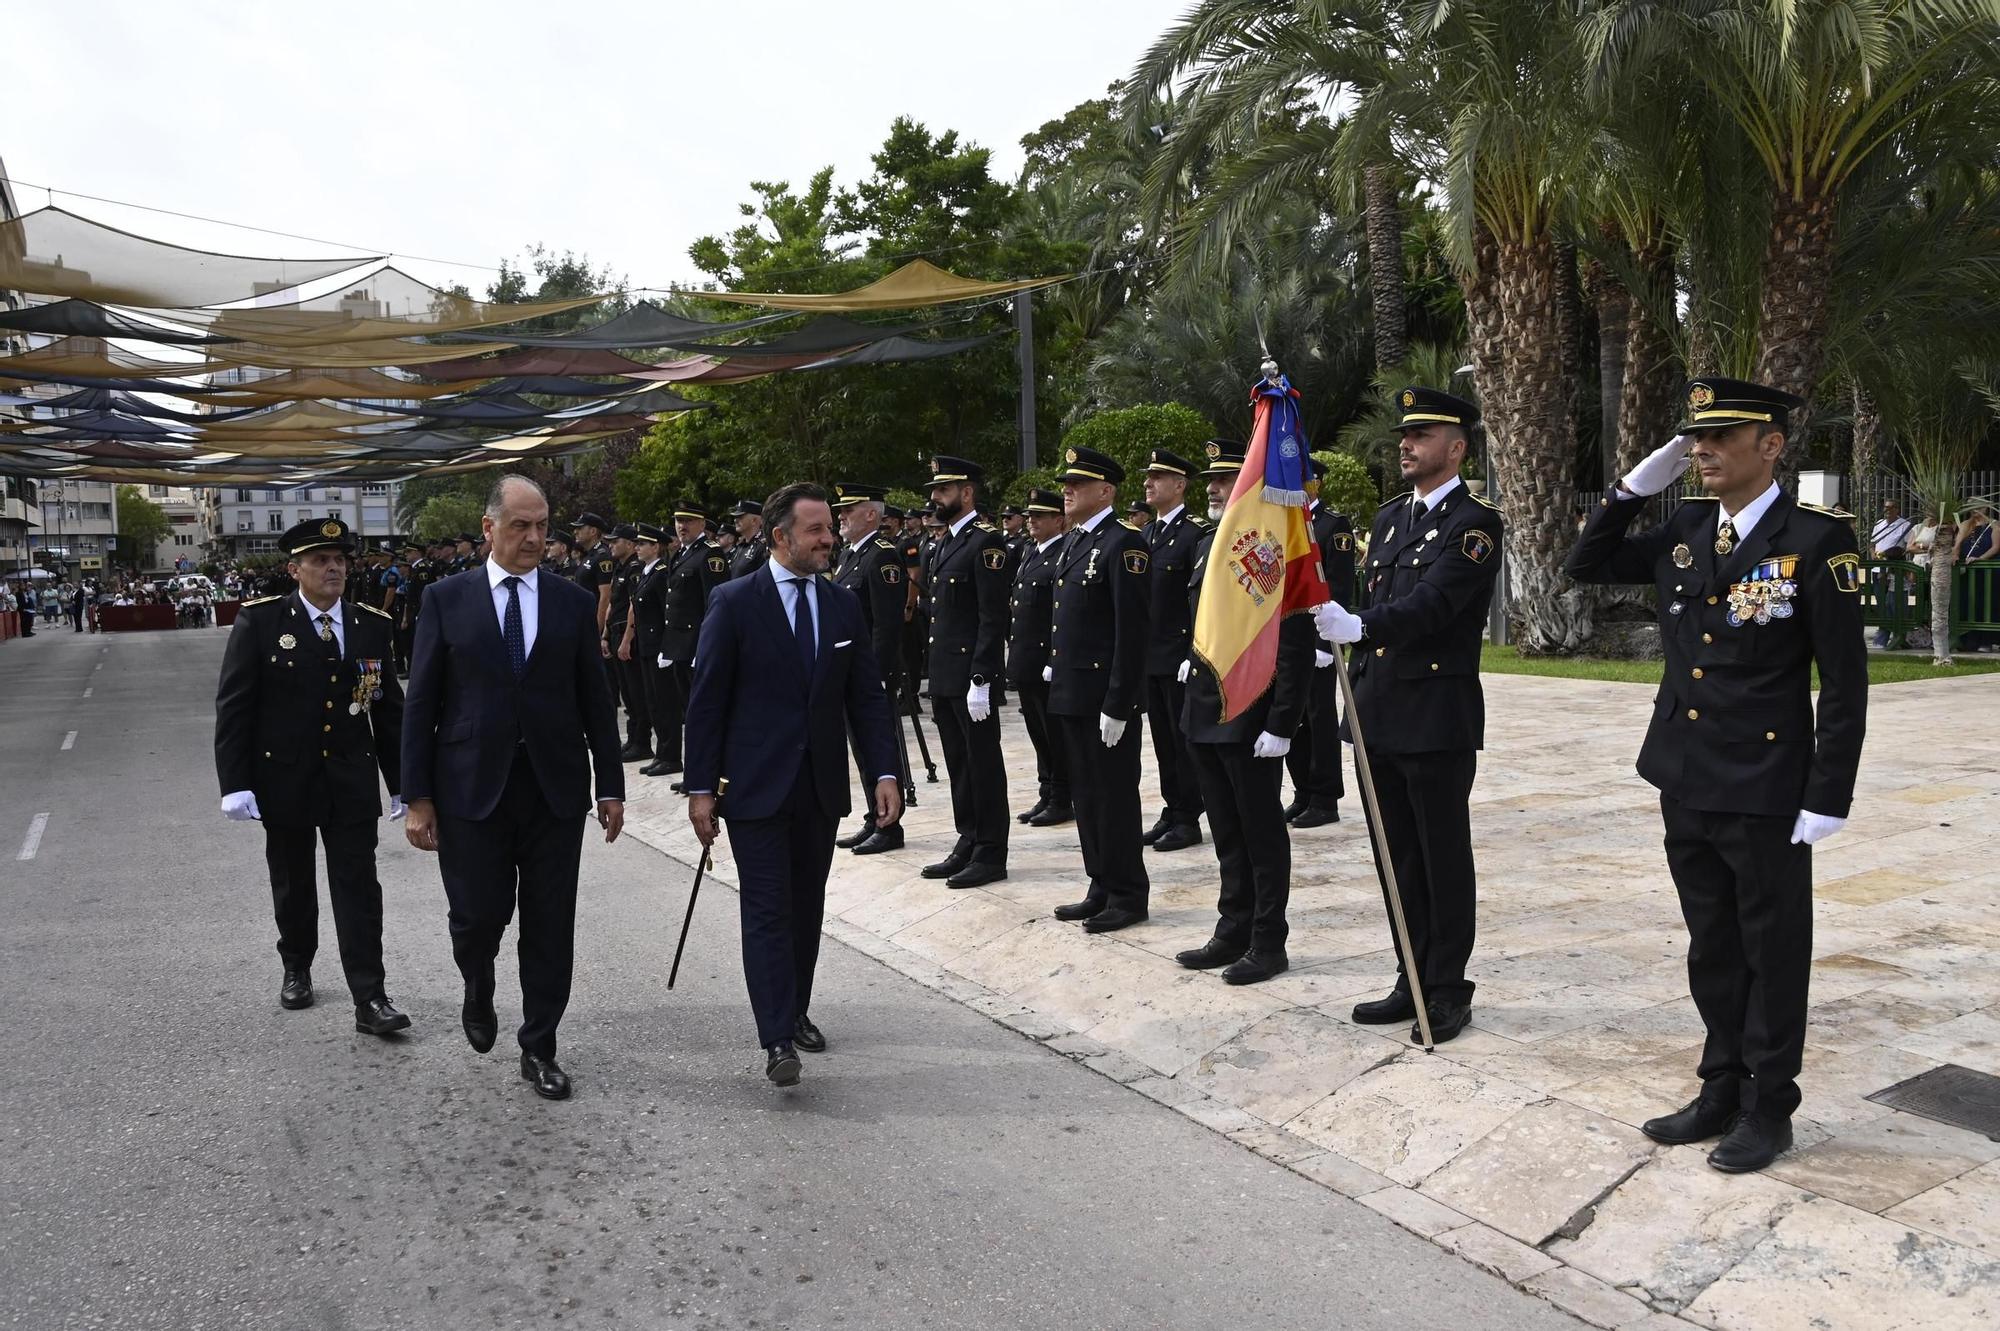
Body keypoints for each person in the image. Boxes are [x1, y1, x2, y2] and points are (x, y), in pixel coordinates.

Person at [1566, 377, 1868, 1173]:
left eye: (1721, 436)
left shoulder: (1817, 540)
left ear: (1771, 445)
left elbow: (1844, 681)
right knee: (1712, 945)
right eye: (1696, 437)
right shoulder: (1688, 526)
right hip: (1686, 773)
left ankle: (1770, 1106)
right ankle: (1720, 1084)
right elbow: (1584, 563)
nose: (1703, 449)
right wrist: (1630, 491)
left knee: (1772, 947)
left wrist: (1828, 792)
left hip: (1765, 781)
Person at [401, 475, 626, 1101]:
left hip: (554, 790)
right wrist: (417, 797)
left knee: (550, 923)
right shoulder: (446, 599)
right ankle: (477, 982)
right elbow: (421, 702)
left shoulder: (571, 602)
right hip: (470, 789)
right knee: (476, 916)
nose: (533, 538)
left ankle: (539, 1046)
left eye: (542, 526)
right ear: (489, 528)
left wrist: (610, 785)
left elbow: (596, 700)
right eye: (520, 525)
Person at [683, 482, 901, 1087]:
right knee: (767, 908)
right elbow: (706, 703)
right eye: (816, 530)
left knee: (806, 907)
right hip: (753, 787)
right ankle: (776, 1036)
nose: (830, 539)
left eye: (830, 528)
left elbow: (866, 698)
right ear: (781, 537)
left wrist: (884, 773)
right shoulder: (734, 601)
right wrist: (700, 788)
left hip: (819, 788)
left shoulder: (842, 604)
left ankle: (795, 1008)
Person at [1312, 386, 1502, 1044]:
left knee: (1440, 856)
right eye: (1405, 434)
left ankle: (1446, 988)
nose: (1407, 443)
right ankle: (1411, 975)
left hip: (1434, 714)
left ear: (1457, 448)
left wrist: (1360, 626)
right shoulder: (1392, 518)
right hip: (1379, 710)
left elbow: (1435, 605)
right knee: (1396, 858)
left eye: (1422, 435)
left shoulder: (1474, 524)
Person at [213, 517, 410, 1036]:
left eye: (340, 560)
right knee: (293, 881)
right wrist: (235, 782)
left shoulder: (371, 624)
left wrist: (404, 782)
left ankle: (370, 997)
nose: (333, 568)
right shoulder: (261, 622)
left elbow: (388, 711)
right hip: (285, 776)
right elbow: (235, 707)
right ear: (294, 569)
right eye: (321, 560)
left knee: (359, 888)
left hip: (350, 777)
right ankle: (297, 965)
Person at [1176, 442, 1313, 983]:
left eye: (1225, 479)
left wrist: (1283, 721)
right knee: (1226, 833)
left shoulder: (1271, 544)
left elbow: (1294, 640)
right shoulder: (1206, 544)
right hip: (1205, 710)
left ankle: (1267, 940)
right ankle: (1232, 928)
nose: (1213, 488)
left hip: (1252, 714)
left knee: (1260, 834)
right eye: (1210, 480)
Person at [1048, 445, 1153, 931]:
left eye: (1078, 484)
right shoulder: (1075, 542)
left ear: (1106, 491)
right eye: (1067, 484)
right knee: (1087, 796)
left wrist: (1120, 702)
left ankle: (1128, 894)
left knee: (1114, 797)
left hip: (1104, 699)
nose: (1067, 491)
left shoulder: (1123, 544)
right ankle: (1101, 883)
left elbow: (1132, 632)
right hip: (1073, 693)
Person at [920, 455, 1012, 889]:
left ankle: (991, 851)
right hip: (945, 676)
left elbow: (993, 619)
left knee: (983, 764)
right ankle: (969, 837)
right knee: (959, 763)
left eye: (943, 490)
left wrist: (982, 679)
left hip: (970, 678)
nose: (935, 498)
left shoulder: (986, 543)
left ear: (967, 493)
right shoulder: (945, 542)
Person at [830, 483, 913, 855]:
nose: (841, 516)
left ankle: (890, 825)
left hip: (870, 673)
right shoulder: (852, 555)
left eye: (849, 510)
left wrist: (878, 673)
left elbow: (887, 624)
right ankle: (874, 816)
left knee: (879, 747)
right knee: (861, 748)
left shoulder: (882, 556)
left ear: (870, 514)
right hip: (850, 670)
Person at [1139, 448, 1211, 853]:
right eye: (1148, 477)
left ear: (1179, 485)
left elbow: (1200, 600)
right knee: (1163, 741)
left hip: (1181, 656)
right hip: (1152, 656)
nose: (1148, 483)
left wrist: (1191, 653)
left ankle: (1189, 817)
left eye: (1157, 477)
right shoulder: (1146, 534)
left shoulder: (1194, 534)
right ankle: (1173, 807)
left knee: (1183, 744)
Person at [1286, 457, 1357, 827]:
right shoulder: (1285, 524)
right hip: (1288, 641)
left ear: (1316, 483)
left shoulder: (1332, 525)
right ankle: (1303, 792)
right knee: (1292, 717)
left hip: (1318, 641)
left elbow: (1339, 586)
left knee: (1319, 718)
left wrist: (1324, 644)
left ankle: (1325, 797)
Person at [648, 504, 731, 782]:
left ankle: (706, 774)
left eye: (688, 521)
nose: (681, 526)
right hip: (679, 647)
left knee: (703, 714)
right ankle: (695, 773)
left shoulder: (710, 554)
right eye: (678, 521)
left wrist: (705, 646)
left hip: (695, 646)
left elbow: (714, 605)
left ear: (702, 524)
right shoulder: (682, 553)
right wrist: (668, 645)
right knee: (690, 713)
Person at [1008, 488, 1073, 828]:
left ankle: (1061, 797)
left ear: (1059, 520)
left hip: (1047, 661)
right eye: (1030, 515)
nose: (1031, 520)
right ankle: (1046, 790)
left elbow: (1059, 614)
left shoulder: (1063, 553)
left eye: (1040, 516)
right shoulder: (1030, 552)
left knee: (1054, 734)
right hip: (1026, 659)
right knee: (1037, 730)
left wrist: (1052, 659)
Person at [605, 524, 652, 762]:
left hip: (628, 634)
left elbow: (634, 605)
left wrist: (626, 640)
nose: (611, 546)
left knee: (636, 692)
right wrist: (605, 635)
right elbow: (612, 604)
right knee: (626, 692)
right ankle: (632, 739)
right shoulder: (620, 568)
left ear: (630, 544)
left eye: (616, 541)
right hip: (615, 632)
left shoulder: (635, 569)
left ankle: (642, 742)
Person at [728, 500, 769, 579]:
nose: (735, 520)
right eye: (735, 517)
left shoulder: (763, 545)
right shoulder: (740, 545)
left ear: (754, 520)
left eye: (740, 517)